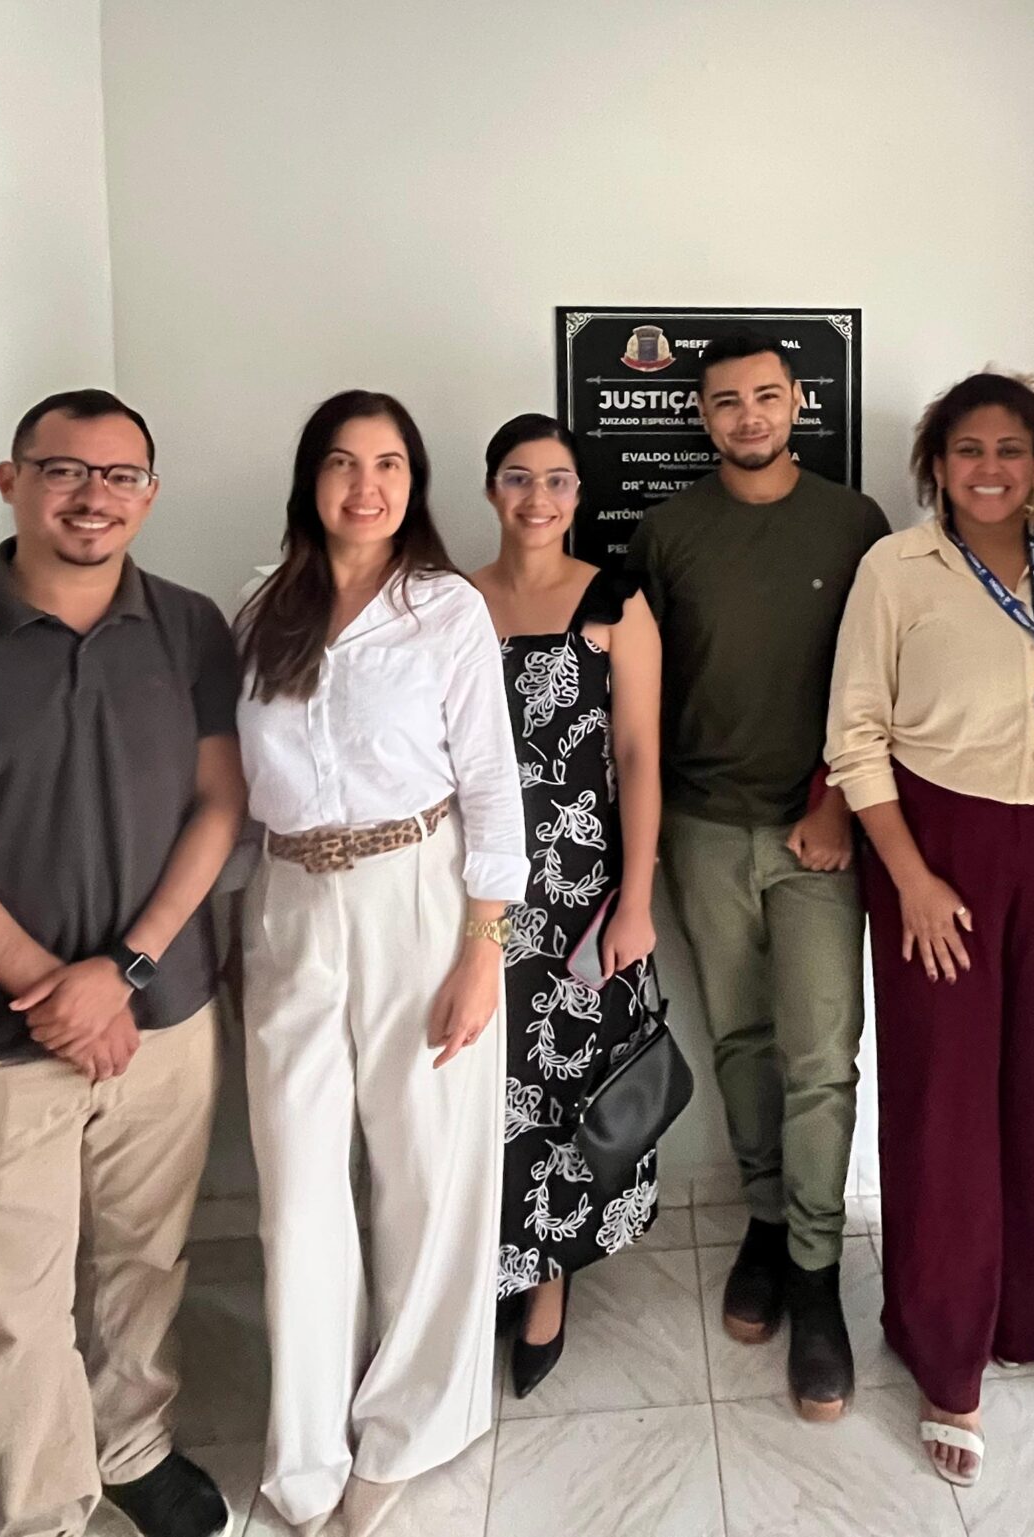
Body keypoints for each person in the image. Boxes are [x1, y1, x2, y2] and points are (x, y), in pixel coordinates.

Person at [0, 389, 242, 1537]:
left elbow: (218, 803)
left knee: (145, 1259)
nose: (93, 496)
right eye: (64, 470)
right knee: (5, 1302)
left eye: (120, 475)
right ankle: (37, 1508)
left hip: (165, 1010)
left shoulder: (189, 627)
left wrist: (122, 969)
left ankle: (133, 1446)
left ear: (149, 494)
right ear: (12, 481)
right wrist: (59, 988)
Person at [236, 390, 526, 1531]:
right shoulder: (260, 609)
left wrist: (482, 948)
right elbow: (234, 784)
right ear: (310, 478)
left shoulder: (444, 608)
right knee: (297, 1186)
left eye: (391, 464)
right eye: (345, 463)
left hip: (421, 892)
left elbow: (492, 779)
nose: (367, 486)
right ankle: (306, 1448)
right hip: (289, 901)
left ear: (415, 482)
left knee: (425, 1171)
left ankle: (410, 1424)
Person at [825, 371, 1034, 1485]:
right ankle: (945, 1350)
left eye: (1009, 449)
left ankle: (1018, 1313)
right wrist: (907, 876)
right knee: (943, 1096)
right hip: (937, 844)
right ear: (935, 466)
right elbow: (855, 733)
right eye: (966, 450)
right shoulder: (895, 569)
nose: (989, 469)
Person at [626, 329, 893, 1420]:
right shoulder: (666, 532)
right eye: (727, 401)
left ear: (797, 404)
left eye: (766, 397)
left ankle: (818, 1274)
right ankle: (771, 1224)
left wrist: (837, 803)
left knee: (820, 1057)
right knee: (739, 1040)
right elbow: (641, 694)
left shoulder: (855, 523)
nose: (749, 416)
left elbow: (880, 677)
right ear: (702, 415)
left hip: (816, 831)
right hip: (700, 827)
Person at [467, 413, 668, 1400]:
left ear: (579, 495)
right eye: (517, 477)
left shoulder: (615, 601)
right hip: (475, 891)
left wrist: (637, 900)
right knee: (482, 1087)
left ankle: (548, 1280)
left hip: (582, 890)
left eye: (555, 480)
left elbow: (638, 755)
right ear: (491, 489)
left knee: (564, 1087)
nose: (536, 498)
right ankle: (490, 1266)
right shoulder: (453, 601)